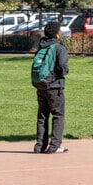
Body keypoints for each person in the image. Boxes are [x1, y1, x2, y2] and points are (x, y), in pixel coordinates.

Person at [34, 21, 69, 154]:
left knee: (42, 116)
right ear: (57, 33)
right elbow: (62, 66)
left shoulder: (41, 46)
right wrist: (64, 71)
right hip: (54, 86)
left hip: (41, 85)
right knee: (58, 115)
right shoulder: (59, 48)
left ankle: (40, 145)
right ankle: (55, 145)